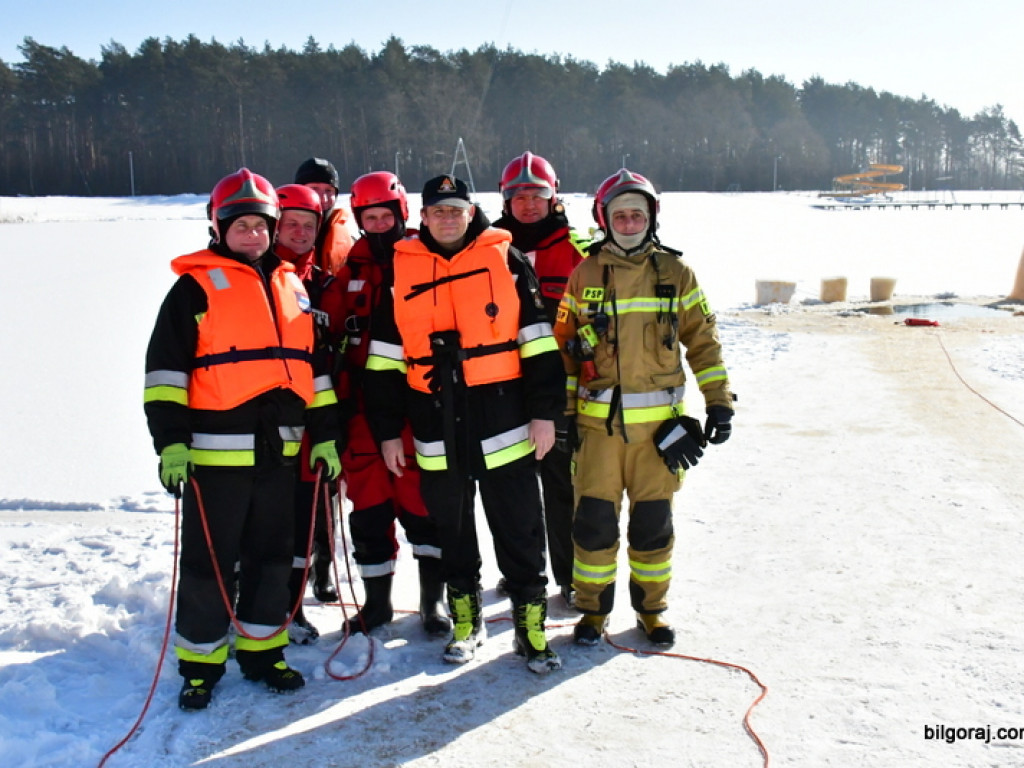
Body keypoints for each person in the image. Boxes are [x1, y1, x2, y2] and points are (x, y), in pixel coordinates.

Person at [143, 168, 343, 710]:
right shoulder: (193, 289)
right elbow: (165, 373)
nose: (253, 235)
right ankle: (201, 664)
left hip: (279, 453)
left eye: (261, 226)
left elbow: (314, 371)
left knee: (272, 556)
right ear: (219, 227)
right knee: (210, 560)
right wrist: (171, 444)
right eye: (241, 226)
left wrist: (325, 437)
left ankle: (262, 652)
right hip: (213, 455)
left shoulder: (292, 286)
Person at [364, 174, 564, 674]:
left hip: (505, 418)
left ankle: (530, 627)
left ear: (471, 212)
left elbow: (539, 342)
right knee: (452, 530)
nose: (448, 218)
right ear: (423, 217)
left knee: (519, 527)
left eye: (456, 209)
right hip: (435, 423)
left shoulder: (506, 259)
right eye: (438, 211)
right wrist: (388, 430)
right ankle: (465, 621)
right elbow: (384, 363)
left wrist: (545, 414)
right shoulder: (401, 271)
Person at [552, 168, 734, 649]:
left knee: (653, 529)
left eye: (637, 214)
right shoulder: (585, 274)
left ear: (651, 218)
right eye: (620, 215)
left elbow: (704, 343)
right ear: (604, 220)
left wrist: (719, 403)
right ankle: (591, 612)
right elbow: (567, 351)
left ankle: (652, 610)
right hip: (598, 436)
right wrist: (564, 418)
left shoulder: (677, 274)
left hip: (659, 437)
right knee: (592, 528)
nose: (629, 222)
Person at [330, 171, 449, 637]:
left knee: (422, 506)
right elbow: (333, 331)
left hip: (417, 404)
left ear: (403, 215)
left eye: (387, 216)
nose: (379, 225)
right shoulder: (350, 269)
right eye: (369, 217)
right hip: (361, 411)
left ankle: (432, 604)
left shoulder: (424, 259)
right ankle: (376, 605)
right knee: (370, 509)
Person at [493, 151, 586, 610]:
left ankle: (569, 578)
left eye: (538, 195)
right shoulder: (487, 248)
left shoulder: (579, 250)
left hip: (563, 391)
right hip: (503, 388)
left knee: (562, 486)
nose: (529, 204)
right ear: (505, 199)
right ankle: (522, 573)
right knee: (512, 493)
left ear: (555, 197)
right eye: (518, 196)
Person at [273, 183, 343, 645]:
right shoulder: (260, 276)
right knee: (274, 519)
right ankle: (267, 604)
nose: (300, 233)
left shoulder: (324, 282)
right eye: (290, 224)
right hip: (264, 423)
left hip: (317, 417)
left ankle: (294, 602)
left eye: (308, 225)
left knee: (311, 512)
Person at [293, 156, 354, 276]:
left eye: (329, 190)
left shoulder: (349, 240)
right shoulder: (281, 234)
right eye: (314, 189)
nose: (323, 198)